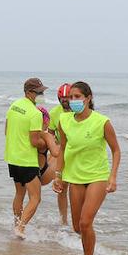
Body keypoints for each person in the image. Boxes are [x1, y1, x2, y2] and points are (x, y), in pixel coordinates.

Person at [53, 81, 121, 255]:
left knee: (85, 222)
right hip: (74, 176)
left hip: (97, 176)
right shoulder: (64, 121)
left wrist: (113, 176)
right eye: (70, 97)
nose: (73, 101)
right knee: (77, 227)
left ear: (88, 98)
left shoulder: (102, 122)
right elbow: (64, 149)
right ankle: (91, 245)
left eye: (77, 97)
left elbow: (116, 150)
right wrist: (59, 176)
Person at [4, 78, 50, 239]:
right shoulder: (35, 113)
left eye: (42, 92)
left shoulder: (14, 106)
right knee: (35, 198)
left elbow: (6, 130)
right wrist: (48, 142)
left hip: (12, 157)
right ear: (29, 92)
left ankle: (17, 224)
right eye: (39, 92)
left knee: (19, 194)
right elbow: (35, 141)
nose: (42, 95)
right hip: (27, 161)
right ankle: (21, 228)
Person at [49, 83, 74, 225]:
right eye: (62, 98)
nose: (65, 101)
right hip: (61, 153)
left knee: (76, 189)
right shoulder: (54, 113)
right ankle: (64, 221)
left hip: (77, 154)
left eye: (67, 98)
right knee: (62, 188)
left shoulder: (79, 112)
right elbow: (51, 134)